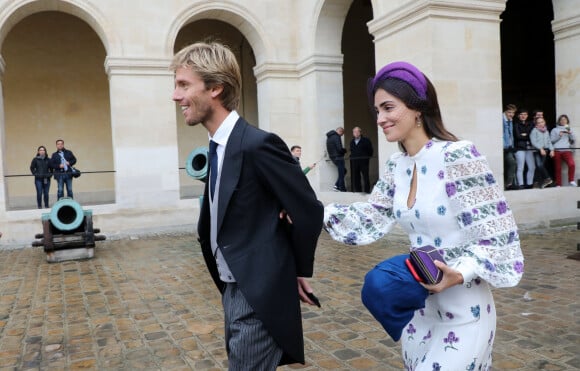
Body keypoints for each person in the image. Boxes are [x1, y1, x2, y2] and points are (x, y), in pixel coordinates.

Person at [323, 61, 524, 370]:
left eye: (388, 108)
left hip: (465, 311)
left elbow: (498, 235)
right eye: (377, 111)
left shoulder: (458, 155)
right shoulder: (395, 166)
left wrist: (459, 273)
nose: (380, 119)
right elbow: (370, 217)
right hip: (419, 313)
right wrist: (311, 211)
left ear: (417, 107)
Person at [170, 41, 323, 370]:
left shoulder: (258, 144)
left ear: (215, 88)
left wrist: (293, 271)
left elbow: (308, 209)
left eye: (184, 85)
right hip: (231, 288)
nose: (176, 96)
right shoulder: (216, 147)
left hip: (259, 292)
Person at [551, 114, 577, 187]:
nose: (563, 121)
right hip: (557, 150)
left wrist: (570, 133)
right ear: (559, 121)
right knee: (558, 168)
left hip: (566, 150)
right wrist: (559, 135)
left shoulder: (569, 129)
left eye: (565, 120)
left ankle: (571, 180)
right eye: (561, 119)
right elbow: (551, 141)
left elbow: (573, 140)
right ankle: (558, 184)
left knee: (572, 164)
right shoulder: (554, 130)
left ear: (567, 121)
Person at [513, 109, 536, 189]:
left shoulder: (530, 124)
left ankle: (530, 184)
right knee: (520, 167)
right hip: (519, 148)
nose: (523, 116)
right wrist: (526, 135)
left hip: (529, 147)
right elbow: (518, 136)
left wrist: (524, 135)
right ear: (518, 115)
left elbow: (532, 135)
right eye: (521, 114)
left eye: (525, 114)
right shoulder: (516, 124)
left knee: (532, 166)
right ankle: (521, 184)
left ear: (527, 116)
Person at [530, 117, 555, 188]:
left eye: (542, 122)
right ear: (536, 124)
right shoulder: (534, 131)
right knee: (539, 166)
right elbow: (533, 142)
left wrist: (552, 150)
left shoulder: (546, 131)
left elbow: (549, 142)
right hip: (537, 151)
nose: (541, 124)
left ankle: (536, 183)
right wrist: (540, 149)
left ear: (544, 122)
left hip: (545, 151)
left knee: (539, 167)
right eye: (539, 122)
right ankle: (548, 178)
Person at [349, 126, 374, 193]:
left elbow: (370, 150)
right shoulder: (352, 142)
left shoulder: (366, 140)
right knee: (356, 177)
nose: (356, 133)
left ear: (360, 132)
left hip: (364, 161)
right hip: (355, 162)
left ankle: (367, 191)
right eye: (354, 132)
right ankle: (358, 191)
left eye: (357, 131)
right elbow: (351, 151)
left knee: (365, 176)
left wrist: (367, 157)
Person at [326, 127, 347, 191]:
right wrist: (344, 150)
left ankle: (337, 186)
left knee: (343, 171)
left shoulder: (329, 137)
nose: (342, 135)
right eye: (342, 134)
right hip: (338, 157)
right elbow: (339, 148)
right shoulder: (336, 137)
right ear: (340, 131)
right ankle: (339, 187)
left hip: (333, 157)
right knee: (342, 172)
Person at [502, 104, 518, 190]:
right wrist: (505, 146)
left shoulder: (510, 120)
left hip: (509, 147)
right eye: (509, 112)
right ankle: (508, 183)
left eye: (513, 113)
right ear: (505, 111)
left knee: (511, 164)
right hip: (503, 147)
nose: (511, 114)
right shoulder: (501, 119)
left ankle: (509, 183)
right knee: (512, 163)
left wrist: (512, 145)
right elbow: (501, 134)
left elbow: (510, 134)